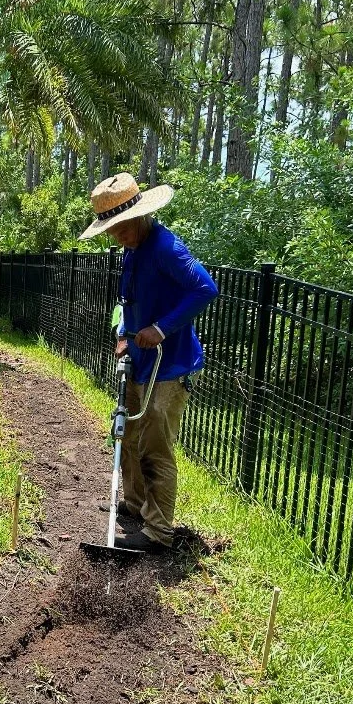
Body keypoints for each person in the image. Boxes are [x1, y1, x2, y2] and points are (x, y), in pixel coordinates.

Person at [78, 173, 217, 551]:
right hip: (140, 362)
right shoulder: (133, 249)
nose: (117, 235)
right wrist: (123, 332)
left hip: (170, 367)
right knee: (129, 435)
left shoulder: (165, 249)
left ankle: (158, 532)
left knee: (156, 445)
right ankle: (134, 505)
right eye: (112, 229)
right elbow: (125, 301)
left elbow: (206, 289)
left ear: (141, 215)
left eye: (122, 227)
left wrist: (162, 327)